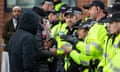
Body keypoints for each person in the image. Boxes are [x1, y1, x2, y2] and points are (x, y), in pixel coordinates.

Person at [1, 6, 22, 72]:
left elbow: (22, 34)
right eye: (15, 11)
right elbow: (4, 34)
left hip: (18, 49)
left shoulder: (21, 23)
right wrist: (16, 34)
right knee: (6, 66)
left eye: (18, 11)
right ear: (12, 13)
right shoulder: (7, 22)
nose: (16, 13)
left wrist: (10, 33)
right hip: (7, 48)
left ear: (20, 13)